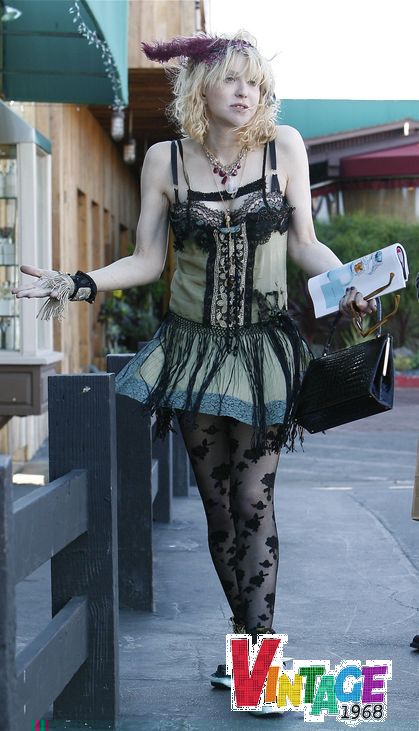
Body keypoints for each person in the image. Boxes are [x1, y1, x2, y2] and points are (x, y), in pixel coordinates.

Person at [12, 30, 375, 714]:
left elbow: (305, 243)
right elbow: (148, 259)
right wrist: (76, 281)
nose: (246, 92)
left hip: (263, 351)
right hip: (194, 352)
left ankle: (259, 663)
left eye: (256, 82)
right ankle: (243, 638)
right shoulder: (165, 159)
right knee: (219, 511)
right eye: (232, 79)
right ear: (200, 89)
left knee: (252, 501)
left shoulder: (284, 147)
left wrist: (350, 281)